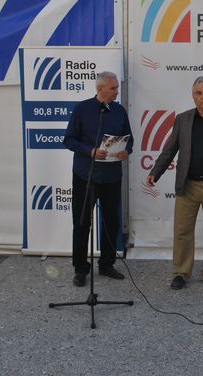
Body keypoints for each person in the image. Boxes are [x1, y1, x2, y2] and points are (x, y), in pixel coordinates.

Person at [147, 76, 203, 290]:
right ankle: (181, 272)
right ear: (193, 96)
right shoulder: (183, 120)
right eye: (198, 93)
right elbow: (170, 149)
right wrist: (156, 172)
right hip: (188, 185)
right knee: (182, 230)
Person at [64, 71, 133, 287]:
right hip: (85, 175)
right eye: (113, 88)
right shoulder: (82, 109)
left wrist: (126, 151)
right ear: (100, 89)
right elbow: (69, 140)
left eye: (117, 87)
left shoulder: (119, 111)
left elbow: (129, 139)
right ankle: (80, 268)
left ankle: (106, 264)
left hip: (112, 176)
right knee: (82, 222)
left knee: (111, 222)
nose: (116, 91)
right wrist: (90, 151)